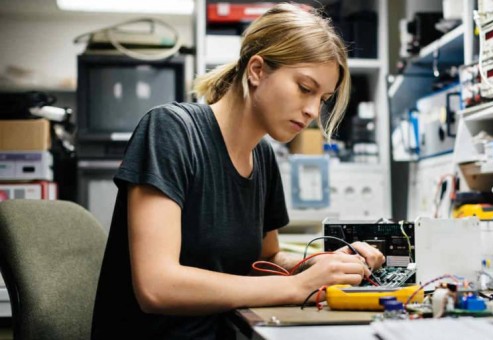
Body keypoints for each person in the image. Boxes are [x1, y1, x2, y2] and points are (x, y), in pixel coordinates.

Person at [90, 3, 385, 339]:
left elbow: (265, 259)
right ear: (257, 70)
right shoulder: (170, 131)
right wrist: (298, 287)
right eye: (305, 88)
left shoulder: (262, 156)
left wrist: (319, 265)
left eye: (323, 98)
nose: (312, 112)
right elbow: (157, 287)